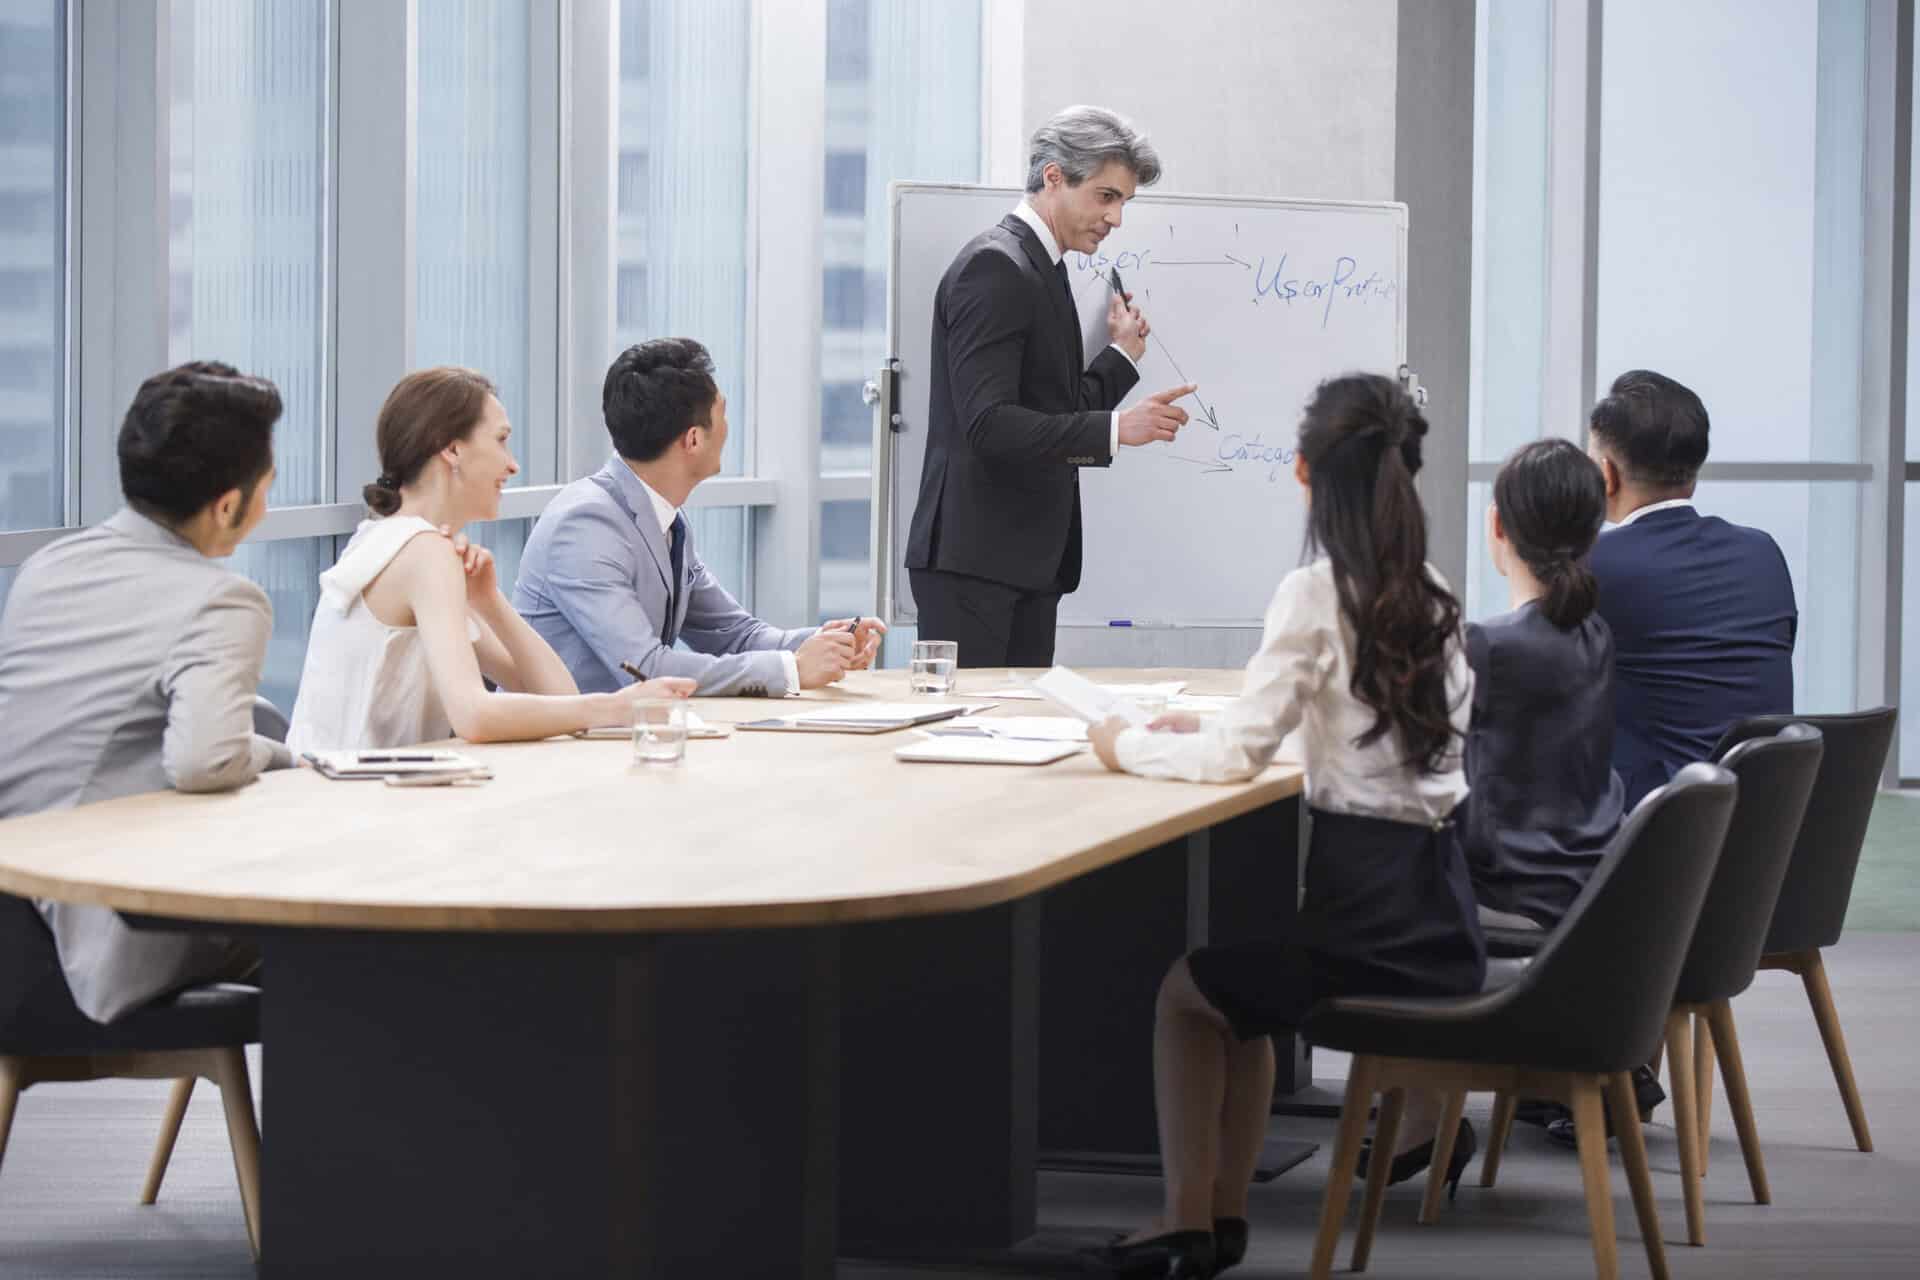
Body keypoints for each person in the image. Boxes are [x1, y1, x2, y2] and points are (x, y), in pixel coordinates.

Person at [1084, 373, 1485, 1278]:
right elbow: (1373, 750)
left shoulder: (1315, 592)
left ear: (1305, 473)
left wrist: (1124, 746)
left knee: (1189, 996)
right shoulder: (1430, 592)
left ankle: (1191, 1223)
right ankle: (1214, 1222)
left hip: (1368, 932)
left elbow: (1236, 762)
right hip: (1440, 919)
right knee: (1243, 999)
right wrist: (1219, 728)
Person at [0, 362, 290, 1022]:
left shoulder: (50, 567)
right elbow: (202, 762)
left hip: (18, 933)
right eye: (266, 488)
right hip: (114, 946)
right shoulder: (223, 599)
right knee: (358, 939)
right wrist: (282, 757)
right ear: (227, 505)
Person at [904, 104, 1196, 668]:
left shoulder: (1047, 268)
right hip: (976, 565)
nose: (1115, 219)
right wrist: (1118, 430)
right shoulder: (995, 266)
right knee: (972, 745)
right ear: (1053, 177)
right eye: (1106, 197)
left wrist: (1119, 359)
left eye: (1123, 203)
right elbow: (989, 424)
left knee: (1022, 736)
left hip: (1025, 563)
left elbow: (1052, 410)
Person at [287, 367, 691, 753]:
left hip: (339, 796)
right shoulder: (423, 551)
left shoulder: (387, 539)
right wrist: (621, 707)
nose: (512, 464)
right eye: (500, 440)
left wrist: (489, 602)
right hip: (349, 806)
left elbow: (558, 696)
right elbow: (474, 716)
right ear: (452, 448)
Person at [514, 339, 878, 696]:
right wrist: (792, 669)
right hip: (561, 743)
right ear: (693, 440)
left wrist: (827, 641)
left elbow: (736, 635)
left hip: (628, 736)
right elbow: (645, 669)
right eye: (723, 414)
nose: (728, 428)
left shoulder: (665, 518)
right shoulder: (585, 525)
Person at [1586, 370, 1797, 806]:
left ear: (1607, 474)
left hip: (1658, 833)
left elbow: (1534, 675)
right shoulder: (1762, 553)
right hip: (1766, 822)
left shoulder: (1597, 565)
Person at [1462, 438, 1624, 931]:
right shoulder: (1595, 633)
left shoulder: (1487, 645)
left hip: (1509, 894)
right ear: (1593, 536)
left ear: (1497, 525)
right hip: (1585, 887)